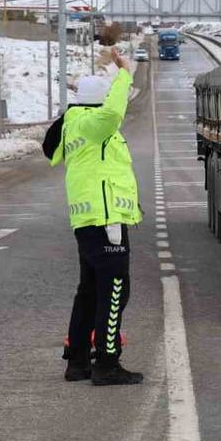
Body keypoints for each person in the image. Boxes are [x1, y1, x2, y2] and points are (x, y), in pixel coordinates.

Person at [42, 49, 144, 386]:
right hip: (107, 221)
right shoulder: (96, 123)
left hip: (87, 222)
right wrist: (125, 72)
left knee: (88, 291)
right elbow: (115, 110)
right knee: (115, 290)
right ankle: (107, 363)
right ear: (97, 102)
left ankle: (78, 362)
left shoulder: (73, 125)